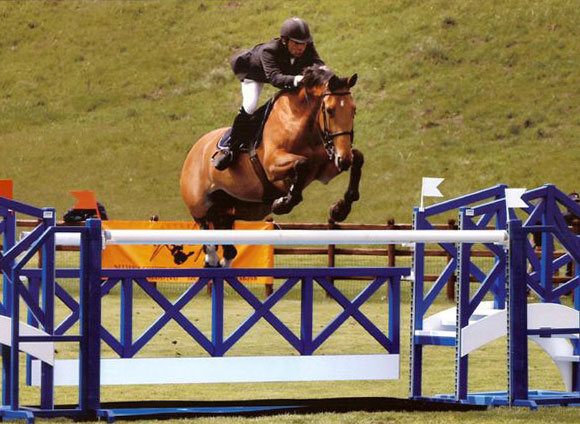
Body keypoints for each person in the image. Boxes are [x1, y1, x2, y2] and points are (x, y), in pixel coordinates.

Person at [212, 17, 325, 170]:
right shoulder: (269, 51)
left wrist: (327, 75)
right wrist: (298, 79)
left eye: (304, 43)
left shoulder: (307, 47)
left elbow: (319, 65)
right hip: (254, 74)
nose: (301, 48)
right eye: (297, 43)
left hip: (283, 73)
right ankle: (230, 149)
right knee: (250, 106)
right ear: (285, 41)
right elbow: (275, 78)